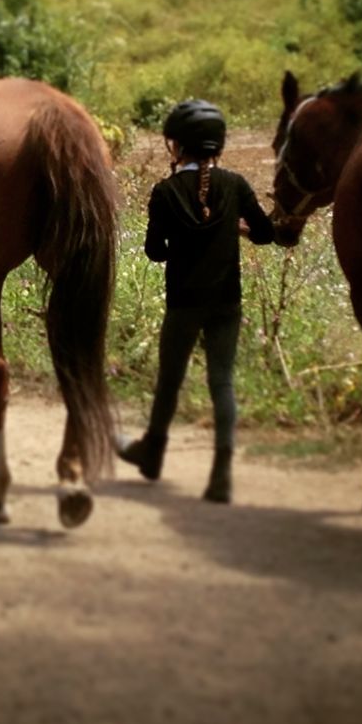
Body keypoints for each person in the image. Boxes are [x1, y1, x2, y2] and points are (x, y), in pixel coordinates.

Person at [119, 99, 276, 503]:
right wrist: (234, 230)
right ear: (218, 144)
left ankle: (152, 455)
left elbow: (155, 251)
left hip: (183, 302)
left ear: (178, 147)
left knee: (169, 381)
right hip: (227, 301)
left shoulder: (165, 192)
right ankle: (222, 475)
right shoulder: (236, 184)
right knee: (221, 382)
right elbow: (265, 233)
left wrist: (179, 241)